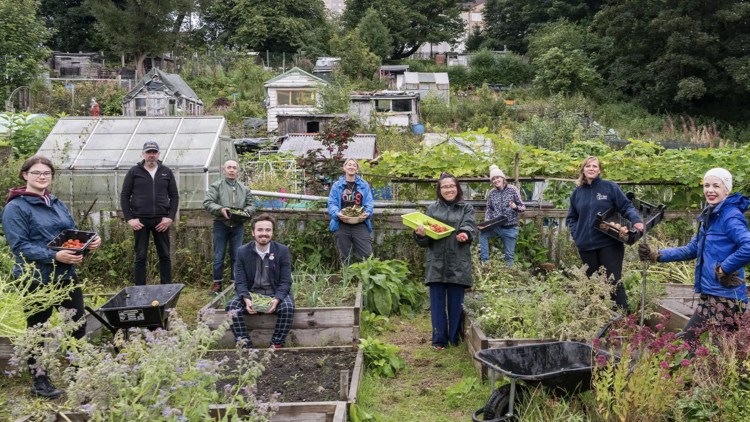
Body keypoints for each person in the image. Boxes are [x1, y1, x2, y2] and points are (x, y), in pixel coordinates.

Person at [2, 155, 102, 399]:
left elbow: (70, 233)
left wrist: (88, 242)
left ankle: (79, 373)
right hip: (35, 278)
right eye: (36, 173)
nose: (42, 177)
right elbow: (20, 247)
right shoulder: (16, 207)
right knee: (37, 330)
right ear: (25, 175)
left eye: (47, 173)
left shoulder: (55, 202)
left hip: (66, 276)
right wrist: (55, 257)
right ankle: (39, 382)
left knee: (76, 325)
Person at [639, 168, 750, 343]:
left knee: (714, 349)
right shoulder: (710, 216)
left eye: (716, 186)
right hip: (710, 295)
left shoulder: (729, 216)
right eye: (707, 185)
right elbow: (691, 250)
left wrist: (725, 268)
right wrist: (657, 254)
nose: (710, 190)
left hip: (726, 298)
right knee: (692, 343)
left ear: (726, 190)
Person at [566, 156, 644, 311]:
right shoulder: (577, 192)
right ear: (583, 169)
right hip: (586, 246)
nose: (591, 168)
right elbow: (572, 217)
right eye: (588, 166)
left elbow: (626, 206)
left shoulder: (609, 187)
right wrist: (577, 236)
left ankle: (623, 319)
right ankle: (599, 317)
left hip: (609, 243)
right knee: (593, 283)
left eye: (595, 166)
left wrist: (635, 219)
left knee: (613, 282)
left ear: (599, 170)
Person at [413, 172, 477, 350]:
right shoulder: (433, 209)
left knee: (456, 303)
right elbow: (426, 240)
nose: (448, 189)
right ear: (439, 190)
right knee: (437, 304)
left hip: (458, 260)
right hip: (437, 261)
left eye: (451, 186)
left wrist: (465, 233)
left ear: (457, 188)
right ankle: (439, 340)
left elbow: (470, 226)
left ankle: (454, 339)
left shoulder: (466, 208)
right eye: (444, 187)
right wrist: (420, 235)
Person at [225, 214, 294, 349]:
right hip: (252, 293)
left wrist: (277, 299)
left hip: (274, 293)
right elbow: (240, 281)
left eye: (268, 230)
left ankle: (277, 343)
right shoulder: (242, 251)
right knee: (231, 306)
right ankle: (245, 344)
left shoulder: (282, 251)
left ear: (272, 232)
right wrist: (246, 298)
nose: (264, 233)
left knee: (288, 307)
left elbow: (286, 281)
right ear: (253, 232)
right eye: (260, 230)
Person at [120, 141, 179, 285]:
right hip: (140, 221)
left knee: (164, 255)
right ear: (143, 154)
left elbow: (174, 196)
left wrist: (170, 217)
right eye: (148, 152)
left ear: (158, 154)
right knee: (140, 256)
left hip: (161, 221)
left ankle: (166, 288)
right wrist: (129, 219)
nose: (151, 155)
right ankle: (140, 289)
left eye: (154, 152)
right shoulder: (134, 172)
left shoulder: (166, 172)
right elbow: (124, 196)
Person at [203, 160, 257, 295]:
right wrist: (221, 209)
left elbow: (251, 205)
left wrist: (246, 212)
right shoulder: (216, 186)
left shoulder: (244, 189)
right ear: (224, 170)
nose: (232, 170)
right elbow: (208, 202)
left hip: (238, 225)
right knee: (218, 256)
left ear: (238, 171)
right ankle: (217, 284)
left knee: (237, 255)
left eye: (234, 168)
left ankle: (235, 284)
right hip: (221, 225)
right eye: (229, 168)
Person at [327, 158, 374, 266]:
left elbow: (369, 202)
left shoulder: (363, 185)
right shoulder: (337, 185)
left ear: (357, 169)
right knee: (345, 256)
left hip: (360, 224)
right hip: (342, 224)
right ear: (344, 168)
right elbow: (332, 203)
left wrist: (367, 212)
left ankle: (367, 279)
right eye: (349, 165)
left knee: (367, 254)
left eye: (354, 165)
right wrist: (337, 213)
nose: (351, 167)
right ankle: (347, 279)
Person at [479, 164, 526, 267]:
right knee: (482, 234)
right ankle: (485, 263)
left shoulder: (512, 189)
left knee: (509, 255)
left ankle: (509, 276)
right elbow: (489, 209)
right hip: (496, 226)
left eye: (497, 178)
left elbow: (523, 207)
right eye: (493, 179)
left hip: (510, 228)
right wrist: (487, 220)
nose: (496, 180)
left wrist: (515, 207)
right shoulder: (492, 193)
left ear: (503, 178)